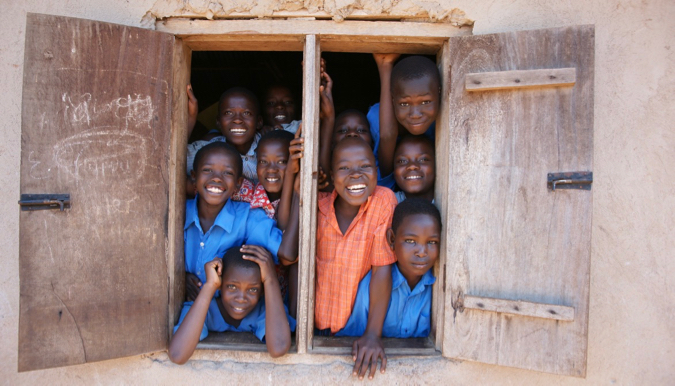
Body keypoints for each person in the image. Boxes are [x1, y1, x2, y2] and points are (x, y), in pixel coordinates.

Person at [314, 137, 397, 379]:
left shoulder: (383, 201)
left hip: (358, 332)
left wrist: (372, 334)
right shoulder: (318, 205)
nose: (355, 174)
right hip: (315, 329)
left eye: (365, 166)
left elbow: (382, 268)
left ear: (377, 169)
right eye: (344, 168)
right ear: (331, 174)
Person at [184, 141, 299, 302]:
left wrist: (297, 191)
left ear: (238, 183)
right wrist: (180, 277)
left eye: (227, 173)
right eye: (207, 170)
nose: (216, 178)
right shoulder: (178, 213)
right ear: (194, 176)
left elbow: (288, 255)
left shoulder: (247, 217)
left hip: (232, 313)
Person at [168, 247, 296, 364]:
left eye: (253, 290)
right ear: (220, 284)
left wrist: (270, 279)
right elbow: (177, 355)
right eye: (232, 287)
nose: (241, 298)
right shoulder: (202, 309)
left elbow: (278, 348)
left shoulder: (266, 311)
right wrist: (209, 285)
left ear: (262, 291)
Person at [337, 198, 441, 340]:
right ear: (391, 240)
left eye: (431, 242)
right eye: (410, 241)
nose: (422, 252)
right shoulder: (371, 287)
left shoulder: (439, 289)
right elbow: (353, 340)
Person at [368, 54, 441, 180]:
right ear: (392, 101)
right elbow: (387, 137)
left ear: (439, 93)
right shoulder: (376, 116)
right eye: (404, 104)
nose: (415, 114)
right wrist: (385, 67)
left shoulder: (446, 118)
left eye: (425, 102)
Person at [186, 87, 265, 184]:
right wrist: (191, 118)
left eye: (246, 113)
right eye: (228, 113)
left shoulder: (271, 148)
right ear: (218, 121)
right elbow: (172, 160)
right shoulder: (206, 151)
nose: (237, 119)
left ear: (259, 122)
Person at [392, 135, 435, 203]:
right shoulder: (386, 203)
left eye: (423, 159)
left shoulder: (452, 200)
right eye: (402, 161)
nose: (412, 166)